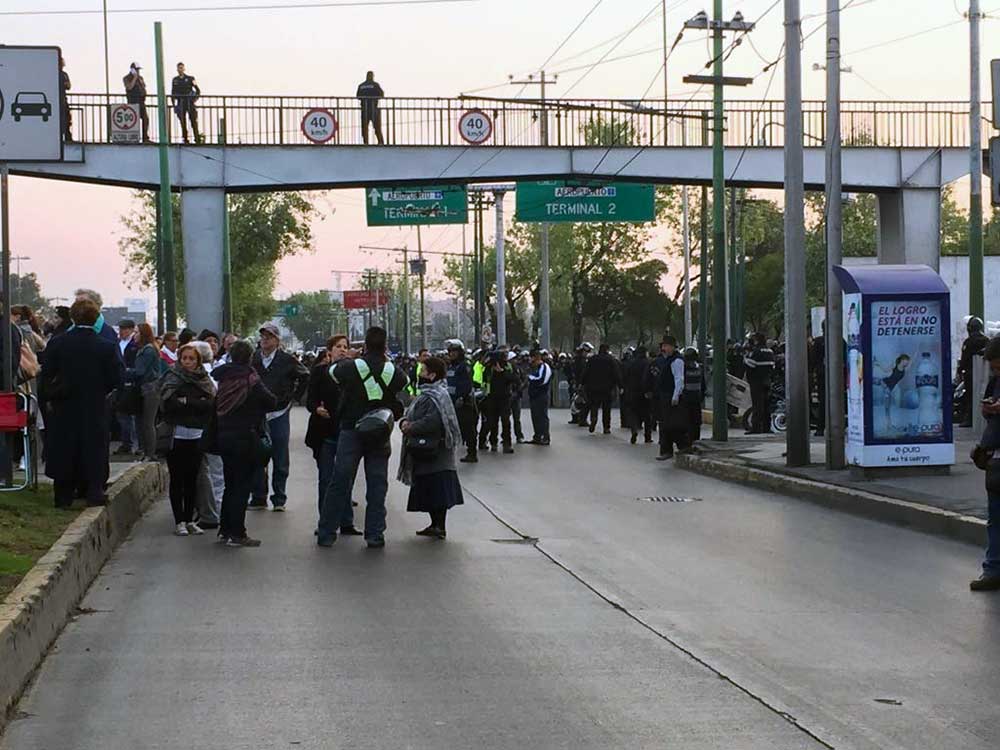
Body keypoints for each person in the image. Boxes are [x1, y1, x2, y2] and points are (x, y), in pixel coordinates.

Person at [317, 326, 408, 548]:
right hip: (379, 433)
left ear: (364, 345)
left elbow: (332, 373)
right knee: (377, 484)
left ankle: (327, 533)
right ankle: (375, 534)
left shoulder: (351, 366)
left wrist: (350, 357)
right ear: (385, 346)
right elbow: (404, 383)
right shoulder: (391, 369)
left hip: (351, 430)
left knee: (340, 481)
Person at [38, 298, 124, 508]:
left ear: (73, 317)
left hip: (63, 405)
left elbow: (46, 374)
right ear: (96, 318)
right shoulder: (106, 346)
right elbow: (117, 378)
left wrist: (51, 396)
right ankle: (94, 491)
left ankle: (63, 495)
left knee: (64, 447)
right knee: (94, 448)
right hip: (94, 406)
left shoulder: (58, 343)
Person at [210, 340, 277, 547]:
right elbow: (271, 401)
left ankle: (225, 528)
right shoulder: (250, 378)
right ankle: (238, 533)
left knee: (230, 483)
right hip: (245, 437)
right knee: (242, 485)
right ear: (249, 357)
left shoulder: (222, 377)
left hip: (224, 436)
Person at [397, 356, 464, 539]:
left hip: (436, 452)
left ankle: (439, 526)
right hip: (425, 451)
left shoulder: (438, 395)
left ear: (432, 375)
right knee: (430, 489)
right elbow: (413, 412)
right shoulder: (427, 394)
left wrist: (410, 426)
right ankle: (434, 525)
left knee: (437, 490)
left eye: (423, 371)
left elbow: (433, 421)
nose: (420, 374)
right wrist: (405, 421)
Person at [305, 335, 360, 535]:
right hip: (325, 432)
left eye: (345, 346)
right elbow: (310, 398)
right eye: (338, 346)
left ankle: (346, 522)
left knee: (345, 477)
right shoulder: (320, 372)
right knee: (327, 478)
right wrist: (316, 409)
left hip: (347, 431)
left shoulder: (354, 372)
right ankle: (326, 523)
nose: (343, 350)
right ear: (329, 350)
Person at [249, 323, 308, 511]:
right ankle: (258, 497)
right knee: (257, 454)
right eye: (263, 336)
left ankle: (279, 498)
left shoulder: (287, 360)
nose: (265, 339)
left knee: (280, 455)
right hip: (258, 414)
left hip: (279, 413)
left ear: (277, 340)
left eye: (269, 336)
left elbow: (305, 375)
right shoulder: (253, 359)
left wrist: (295, 397)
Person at [159, 343, 214, 536]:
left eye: (192, 359)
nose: (188, 362)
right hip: (177, 435)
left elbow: (209, 404)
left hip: (197, 435)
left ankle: (190, 520)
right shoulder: (172, 377)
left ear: (198, 361)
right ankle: (179, 521)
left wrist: (188, 401)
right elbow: (169, 403)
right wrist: (194, 403)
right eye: (185, 358)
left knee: (192, 479)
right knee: (177, 479)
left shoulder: (204, 379)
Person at [972, 336, 1000, 591]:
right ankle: (992, 570)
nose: (995, 370)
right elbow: (987, 410)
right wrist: (989, 408)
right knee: (995, 516)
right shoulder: (995, 382)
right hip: (995, 458)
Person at [128, 322, 164, 462]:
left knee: (147, 423)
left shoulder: (147, 350)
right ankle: (148, 452)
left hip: (149, 389)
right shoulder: (150, 349)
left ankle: (150, 453)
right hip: (150, 388)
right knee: (146, 422)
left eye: (136, 332)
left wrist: (125, 372)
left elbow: (140, 371)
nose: (134, 335)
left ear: (143, 334)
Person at [647, 335, 686, 461]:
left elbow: (679, 379)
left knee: (670, 424)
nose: (664, 348)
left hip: (671, 396)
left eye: (665, 346)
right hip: (664, 396)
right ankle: (668, 449)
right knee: (665, 424)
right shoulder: (668, 359)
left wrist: (675, 396)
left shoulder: (677, 360)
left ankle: (678, 447)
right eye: (663, 346)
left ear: (672, 347)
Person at [445, 340, 478, 463]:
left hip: (464, 402)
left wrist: (462, 397)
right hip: (451, 401)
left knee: (468, 428)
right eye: (450, 351)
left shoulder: (465, 365)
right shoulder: (451, 366)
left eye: (454, 351)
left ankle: (472, 453)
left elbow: (467, 384)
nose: (452, 354)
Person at [582, 343, 621, 435]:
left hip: (593, 388)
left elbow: (585, 372)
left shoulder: (592, 359)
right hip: (607, 388)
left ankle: (593, 419)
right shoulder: (611, 360)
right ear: (607, 350)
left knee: (594, 405)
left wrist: (582, 383)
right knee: (606, 408)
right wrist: (620, 385)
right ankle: (606, 427)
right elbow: (616, 373)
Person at [483, 349, 517, 454]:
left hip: (505, 398)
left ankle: (507, 443)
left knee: (506, 421)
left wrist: (502, 372)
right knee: (493, 421)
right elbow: (483, 379)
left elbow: (515, 379)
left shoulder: (508, 367)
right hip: (491, 397)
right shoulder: (488, 368)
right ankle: (493, 442)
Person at [958, 316, 990, 427]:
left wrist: (960, 370)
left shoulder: (969, 341)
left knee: (969, 397)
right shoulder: (986, 340)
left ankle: (969, 419)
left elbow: (964, 358)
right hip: (984, 374)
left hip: (970, 373)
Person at [115, 319, 140, 456]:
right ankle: (126, 442)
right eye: (121, 329)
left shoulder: (134, 345)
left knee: (129, 415)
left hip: (131, 383)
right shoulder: (118, 343)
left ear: (131, 329)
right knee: (122, 414)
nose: (122, 331)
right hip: (120, 382)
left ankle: (131, 443)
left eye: (124, 329)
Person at [744, 332, 775, 435]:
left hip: (757, 381)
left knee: (757, 405)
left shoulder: (756, 351)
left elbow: (751, 364)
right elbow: (772, 366)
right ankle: (767, 427)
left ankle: (756, 427)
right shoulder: (770, 351)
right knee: (766, 405)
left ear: (757, 340)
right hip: (767, 380)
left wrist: (745, 358)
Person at [624, 346, 653, 445]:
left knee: (633, 413)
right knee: (647, 415)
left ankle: (634, 430)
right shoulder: (648, 363)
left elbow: (626, 376)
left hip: (632, 392)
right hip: (645, 392)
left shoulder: (631, 363)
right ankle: (647, 436)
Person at [170, 62, 201, 144]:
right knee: (182, 122)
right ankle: (185, 138)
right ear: (177, 69)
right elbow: (172, 93)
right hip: (181, 102)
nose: (180, 69)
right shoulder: (175, 80)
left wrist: (195, 99)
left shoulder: (191, 78)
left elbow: (198, 90)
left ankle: (197, 138)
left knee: (193, 120)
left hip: (190, 102)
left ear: (184, 69)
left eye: (181, 68)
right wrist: (174, 105)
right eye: (179, 68)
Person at [527, 348, 552, 445]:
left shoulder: (544, 367)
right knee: (535, 417)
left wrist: (530, 378)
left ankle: (545, 437)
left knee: (542, 416)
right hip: (534, 396)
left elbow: (542, 380)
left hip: (541, 396)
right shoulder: (534, 368)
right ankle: (537, 436)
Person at [681, 347, 705, 447]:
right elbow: (703, 384)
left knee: (688, 421)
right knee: (695, 421)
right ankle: (695, 440)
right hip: (696, 398)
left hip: (687, 399)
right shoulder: (699, 368)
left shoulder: (684, 368)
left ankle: (689, 441)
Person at [123, 62, 150, 142]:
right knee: (134, 121)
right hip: (132, 102)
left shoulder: (140, 78)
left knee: (145, 119)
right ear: (132, 70)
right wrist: (134, 78)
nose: (138, 71)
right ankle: (134, 138)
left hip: (141, 102)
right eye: (136, 70)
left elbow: (144, 86)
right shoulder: (126, 78)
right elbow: (129, 87)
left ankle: (145, 138)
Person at [356, 71, 385, 145]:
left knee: (364, 127)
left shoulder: (361, 85)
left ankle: (365, 142)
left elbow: (358, 96)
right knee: (377, 127)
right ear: (372, 76)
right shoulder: (375, 85)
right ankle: (380, 142)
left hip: (364, 109)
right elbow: (381, 94)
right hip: (373, 109)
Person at [60, 55, 72, 142]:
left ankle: (68, 137)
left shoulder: (64, 75)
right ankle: (65, 137)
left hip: (63, 100)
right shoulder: (52, 73)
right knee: (63, 119)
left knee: (67, 119)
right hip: (60, 100)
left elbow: (68, 86)